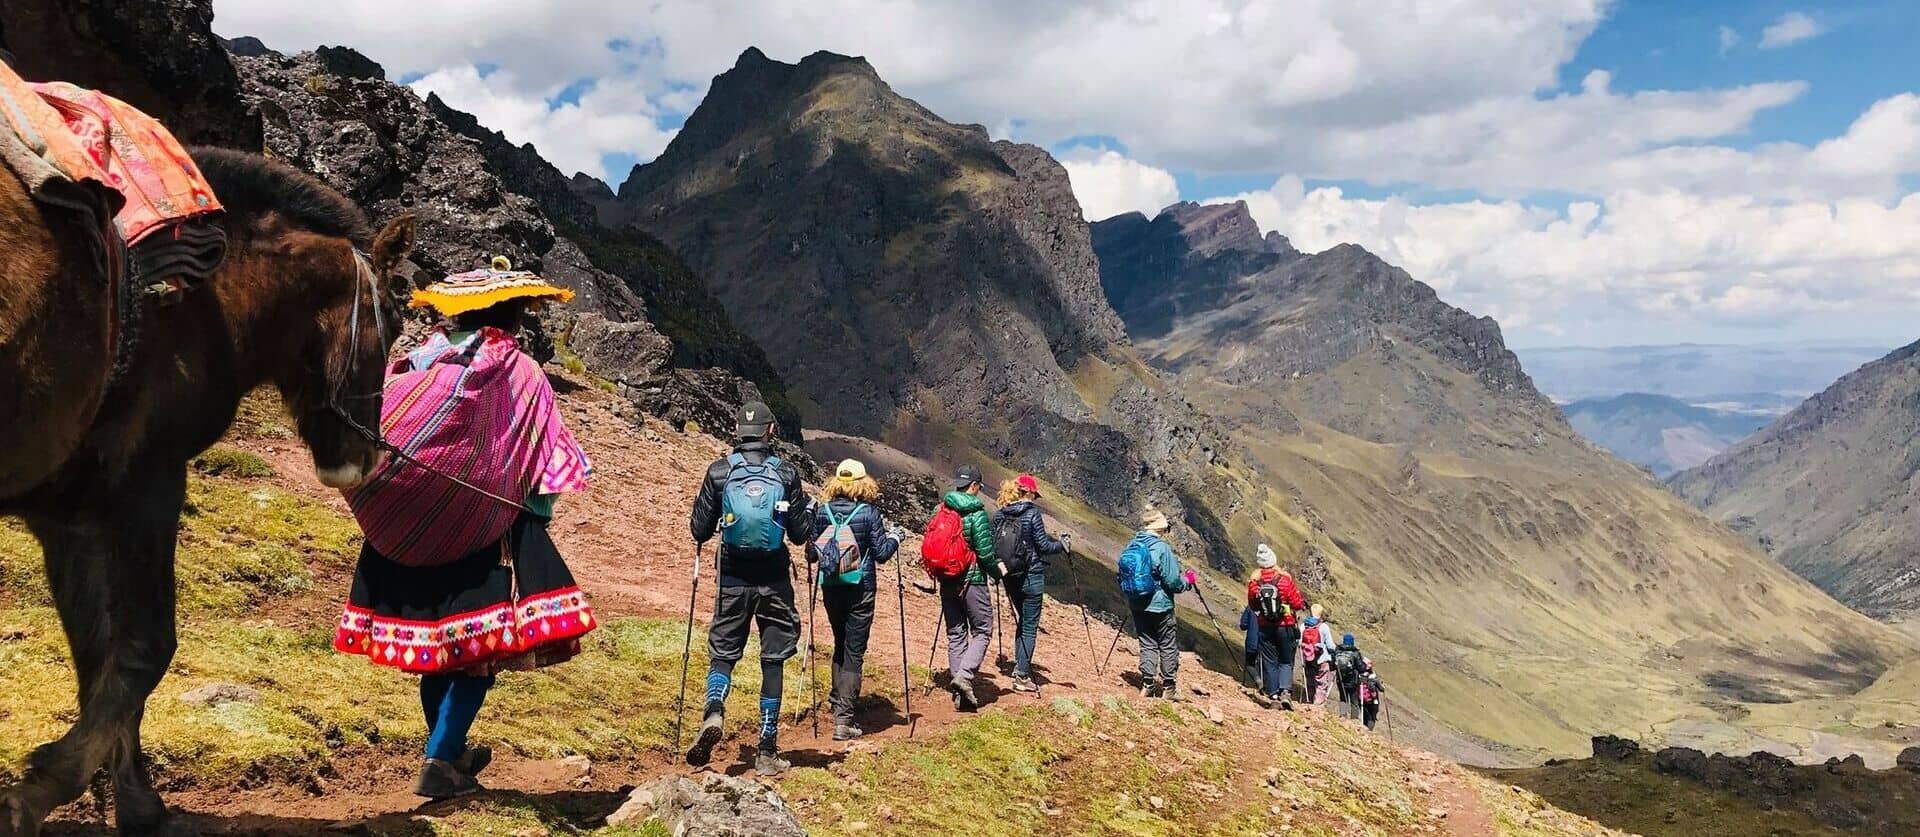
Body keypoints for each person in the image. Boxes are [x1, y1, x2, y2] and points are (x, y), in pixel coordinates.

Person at [334, 258, 594, 800]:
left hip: (407, 527)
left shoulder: (415, 361)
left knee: (438, 642)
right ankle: (440, 757)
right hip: (482, 527)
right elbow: (542, 453)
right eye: (520, 308)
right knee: (475, 652)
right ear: (508, 312)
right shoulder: (515, 368)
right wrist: (531, 523)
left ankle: (449, 751)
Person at [686, 400, 811, 776]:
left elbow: (699, 530)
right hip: (773, 579)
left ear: (738, 432)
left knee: (723, 653)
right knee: (772, 659)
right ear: (770, 432)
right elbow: (801, 533)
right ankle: (768, 750)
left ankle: (714, 710)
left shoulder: (720, 472)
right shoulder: (786, 474)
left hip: (732, 578)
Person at [807, 459, 902, 740]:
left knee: (839, 642)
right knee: (854, 651)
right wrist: (896, 537)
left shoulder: (823, 511)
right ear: (864, 483)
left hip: (831, 586)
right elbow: (882, 553)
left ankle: (837, 701)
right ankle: (844, 721)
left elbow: (812, 554)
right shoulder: (869, 513)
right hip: (861, 588)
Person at [934, 464, 1002, 710]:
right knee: (983, 630)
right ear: (974, 486)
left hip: (946, 578)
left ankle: (959, 692)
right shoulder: (977, 512)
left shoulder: (941, 508)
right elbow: (984, 553)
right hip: (971, 580)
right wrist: (997, 572)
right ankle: (964, 677)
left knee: (956, 632)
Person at [993, 474, 1069, 693]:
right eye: (1034, 495)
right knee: (1029, 624)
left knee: (1023, 620)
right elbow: (1043, 545)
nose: (1035, 499)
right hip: (1031, 575)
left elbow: (994, 545)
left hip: (1010, 575)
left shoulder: (1000, 513)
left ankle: (1020, 666)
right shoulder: (1032, 513)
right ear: (1027, 493)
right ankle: (1022, 675)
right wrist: (1061, 546)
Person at [1119, 511, 1194, 700]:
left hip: (1137, 603)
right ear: (1161, 528)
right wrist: (1188, 582)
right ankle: (1169, 688)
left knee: (1147, 643)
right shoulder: (1162, 548)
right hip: (1160, 605)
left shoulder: (1133, 544)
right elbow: (1173, 582)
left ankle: (1147, 684)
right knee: (1167, 645)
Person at [1245, 543, 1308, 709]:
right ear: (1273, 561)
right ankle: (1285, 692)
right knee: (1285, 660)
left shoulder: (1254, 583)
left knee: (1269, 661)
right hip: (1285, 625)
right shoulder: (1285, 579)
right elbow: (1296, 603)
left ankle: (1273, 695)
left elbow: (1253, 606)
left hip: (1265, 626)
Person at [1332, 633, 1367, 721]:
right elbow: (1361, 668)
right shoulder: (1355, 653)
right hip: (1353, 681)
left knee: (1343, 697)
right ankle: (1354, 720)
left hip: (1340, 679)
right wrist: (1365, 665)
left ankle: (1343, 716)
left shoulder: (1338, 651)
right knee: (1354, 700)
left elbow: (1332, 665)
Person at [1300, 615, 1329, 705]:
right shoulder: (1324, 627)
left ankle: (1309, 699)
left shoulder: (1303, 626)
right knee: (1321, 682)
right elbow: (1330, 645)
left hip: (1308, 658)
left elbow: (1299, 641)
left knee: (1310, 680)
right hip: (1321, 658)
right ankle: (1318, 704)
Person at [1359, 660, 1385, 730]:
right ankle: (1369, 731)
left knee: (1365, 715)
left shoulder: (1360, 676)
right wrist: (1382, 685)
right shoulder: (1373, 677)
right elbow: (1381, 689)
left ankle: (1364, 728)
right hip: (1373, 701)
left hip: (1362, 700)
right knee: (1372, 716)